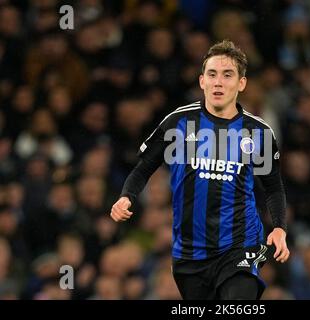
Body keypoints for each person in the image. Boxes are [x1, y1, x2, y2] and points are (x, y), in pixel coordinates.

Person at [110, 40, 290, 300]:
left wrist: (279, 227)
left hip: (240, 244)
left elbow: (273, 186)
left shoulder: (258, 132)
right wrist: (127, 196)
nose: (218, 82)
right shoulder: (178, 122)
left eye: (227, 75)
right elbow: (143, 168)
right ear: (202, 81)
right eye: (212, 74)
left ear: (242, 83)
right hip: (190, 252)